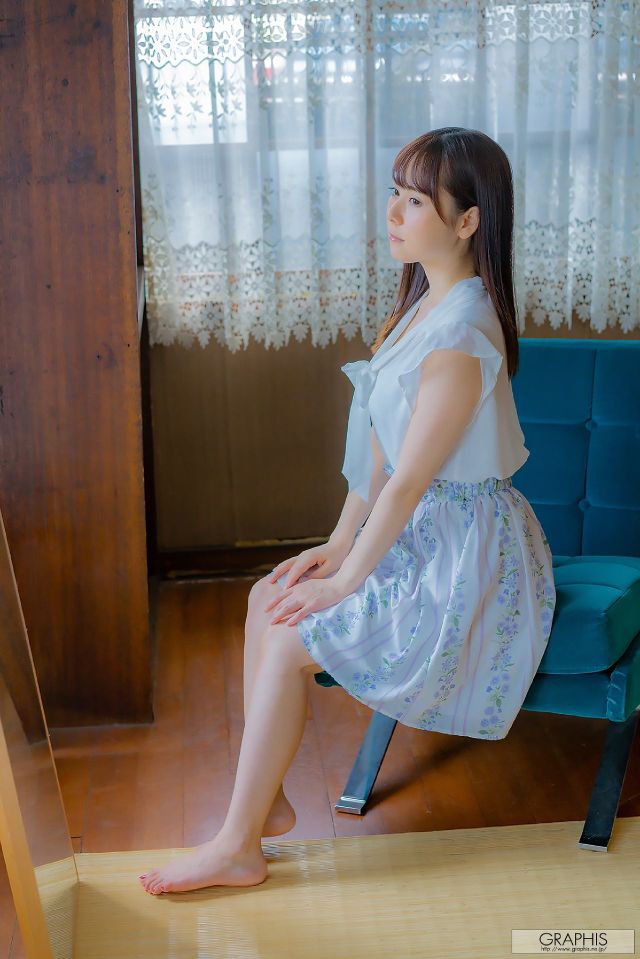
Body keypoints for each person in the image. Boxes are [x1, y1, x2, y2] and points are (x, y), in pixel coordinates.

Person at [139, 127, 556, 896]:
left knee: (290, 630)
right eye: (394, 195)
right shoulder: (421, 308)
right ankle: (264, 806)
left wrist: (344, 580)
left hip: (466, 559)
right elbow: (378, 454)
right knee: (270, 594)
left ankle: (235, 843)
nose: (393, 214)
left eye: (415, 202)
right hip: (422, 534)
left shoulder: (463, 332)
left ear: (468, 221)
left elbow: (409, 481)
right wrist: (335, 545)